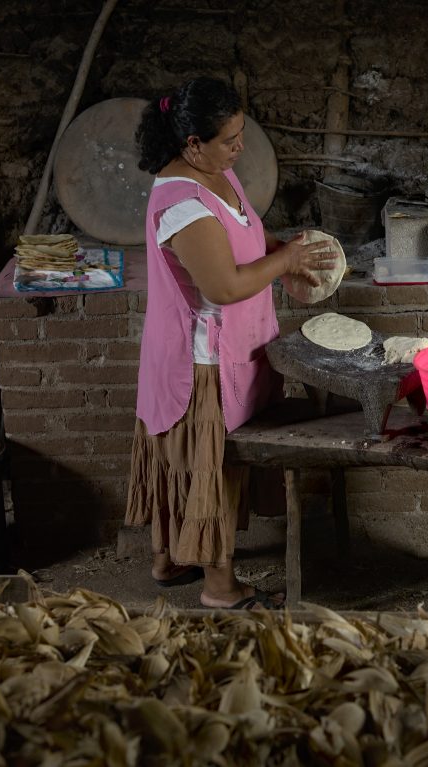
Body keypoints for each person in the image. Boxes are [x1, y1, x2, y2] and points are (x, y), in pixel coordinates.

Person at [125, 77, 335, 610]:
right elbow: (223, 286)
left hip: (234, 346)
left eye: (241, 135)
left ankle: (168, 557)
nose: (240, 148)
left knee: (193, 463)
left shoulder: (217, 174)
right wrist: (284, 263)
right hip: (201, 360)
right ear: (192, 144)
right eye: (229, 140)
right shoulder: (182, 205)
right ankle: (220, 587)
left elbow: (244, 231)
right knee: (209, 467)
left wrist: (281, 246)